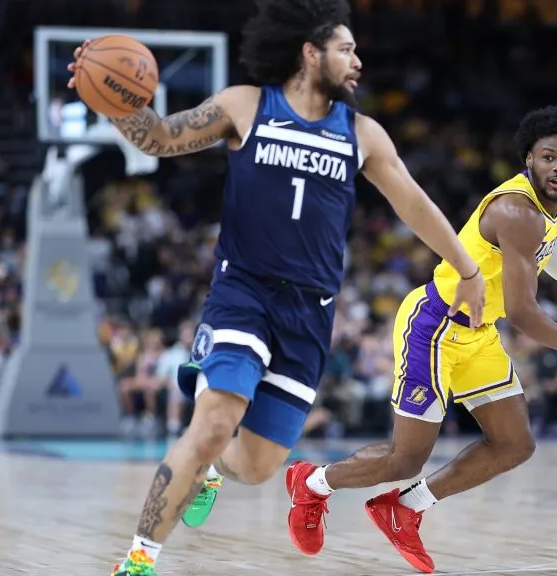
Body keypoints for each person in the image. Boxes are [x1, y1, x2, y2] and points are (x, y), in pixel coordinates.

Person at [66, 1, 487, 574]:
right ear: (310, 53)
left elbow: (413, 202)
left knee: (258, 466)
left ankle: (213, 471)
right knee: (212, 422)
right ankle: (139, 560)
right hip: (243, 291)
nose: (358, 60)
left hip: (309, 312)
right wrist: (118, 102)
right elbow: (160, 138)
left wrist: (467, 270)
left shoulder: (363, 134)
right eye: (346, 49)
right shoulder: (247, 104)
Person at [179, 104, 557, 574]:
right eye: (549, 157)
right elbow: (521, 311)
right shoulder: (515, 210)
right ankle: (311, 484)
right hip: (434, 325)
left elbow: (547, 248)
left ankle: (405, 508)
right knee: (405, 457)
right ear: (528, 160)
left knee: (515, 444)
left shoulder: (554, 207)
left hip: (478, 334)